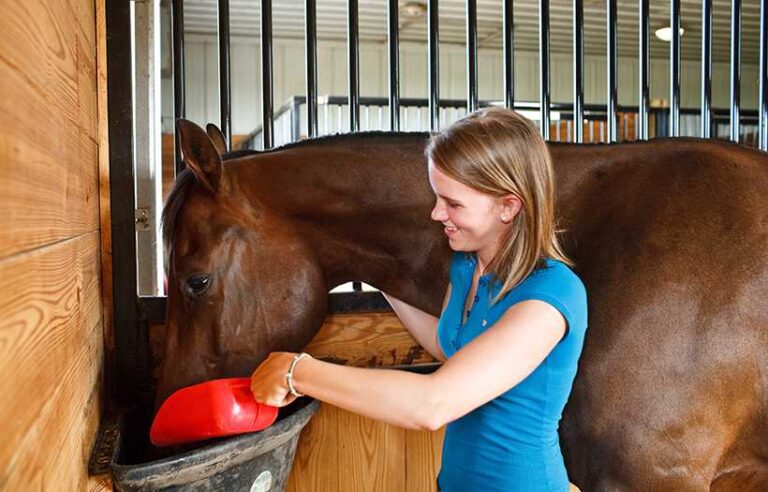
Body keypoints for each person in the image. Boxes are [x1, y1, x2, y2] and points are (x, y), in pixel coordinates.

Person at [250, 107, 588, 492]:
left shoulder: (551, 296)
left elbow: (434, 405)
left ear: (508, 207)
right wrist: (375, 275)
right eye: (437, 196)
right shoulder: (467, 267)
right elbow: (450, 348)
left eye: (453, 203)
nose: (436, 212)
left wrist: (299, 372)